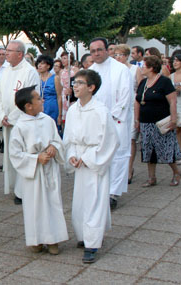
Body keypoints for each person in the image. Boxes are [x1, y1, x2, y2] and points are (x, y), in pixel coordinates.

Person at [64, 69, 119, 264]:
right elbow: (68, 138)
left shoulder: (100, 111)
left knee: (95, 201)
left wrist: (87, 158)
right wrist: (71, 154)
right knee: (80, 203)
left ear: (91, 87)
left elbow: (110, 141)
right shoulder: (73, 109)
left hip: (94, 161)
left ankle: (92, 243)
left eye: (79, 83)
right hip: (79, 161)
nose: (75, 86)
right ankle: (84, 235)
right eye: (74, 83)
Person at [10, 85, 68, 255]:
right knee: (34, 206)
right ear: (28, 105)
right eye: (38, 98)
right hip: (33, 174)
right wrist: (36, 158)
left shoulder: (47, 120)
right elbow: (15, 154)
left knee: (52, 203)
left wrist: (53, 147)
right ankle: (36, 239)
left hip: (49, 169)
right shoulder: (19, 127)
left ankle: (53, 240)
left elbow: (57, 140)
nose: (42, 100)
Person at [89, 38, 132, 210]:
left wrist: (111, 117)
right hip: (96, 121)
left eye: (99, 50)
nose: (96, 53)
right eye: (93, 51)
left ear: (108, 50)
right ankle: (100, 188)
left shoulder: (121, 69)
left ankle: (113, 193)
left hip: (116, 120)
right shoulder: (89, 72)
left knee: (117, 156)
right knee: (99, 154)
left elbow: (125, 96)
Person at [0, 40, 40, 204]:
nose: (6, 54)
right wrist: (1, 115)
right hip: (8, 122)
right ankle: (15, 187)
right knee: (12, 156)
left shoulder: (29, 72)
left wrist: (12, 117)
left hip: (23, 122)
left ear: (20, 54)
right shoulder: (6, 71)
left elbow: (30, 100)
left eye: (9, 51)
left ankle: (23, 192)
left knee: (23, 155)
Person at [135, 56, 181, 187]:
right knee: (148, 150)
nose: (141, 68)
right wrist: (137, 119)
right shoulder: (143, 82)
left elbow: (173, 100)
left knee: (165, 149)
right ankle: (151, 177)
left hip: (161, 121)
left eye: (144, 65)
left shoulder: (164, 81)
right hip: (146, 122)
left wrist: (173, 119)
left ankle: (176, 172)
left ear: (151, 68)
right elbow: (137, 101)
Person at [113, 44, 143, 184]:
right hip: (117, 106)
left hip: (131, 106)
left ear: (126, 56)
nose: (118, 57)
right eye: (116, 55)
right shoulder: (113, 70)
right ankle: (118, 168)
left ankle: (129, 169)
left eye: (120, 55)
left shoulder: (135, 69)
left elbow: (141, 88)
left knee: (130, 138)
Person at [36, 55, 62, 126]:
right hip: (40, 108)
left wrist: (60, 115)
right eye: (39, 63)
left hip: (52, 107)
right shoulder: (36, 78)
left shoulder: (55, 78)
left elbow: (59, 96)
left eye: (42, 63)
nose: (39, 65)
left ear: (48, 66)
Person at [60, 51, 78, 127]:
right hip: (64, 94)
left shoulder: (75, 70)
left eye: (65, 58)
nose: (63, 60)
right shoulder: (61, 71)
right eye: (62, 58)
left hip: (72, 93)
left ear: (70, 59)